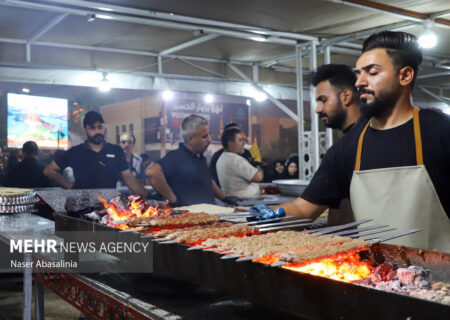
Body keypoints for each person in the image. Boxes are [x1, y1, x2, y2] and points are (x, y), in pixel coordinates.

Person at [272, 31, 450, 252]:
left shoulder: (440, 131)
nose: (359, 82)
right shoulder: (348, 147)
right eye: (358, 74)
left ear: (405, 76)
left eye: (372, 72)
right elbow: (303, 208)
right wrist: (272, 215)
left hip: (441, 281)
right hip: (376, 280)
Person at [44, 111, 149, 197]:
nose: (97, 131)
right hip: (83, 207)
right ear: (85, 130)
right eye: (92, 128)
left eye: (100, 127)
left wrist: (149, 196)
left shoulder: (116, 151)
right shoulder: (76, 152)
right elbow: (49, 170)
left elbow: (129, 179)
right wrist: (68, 186)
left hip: (109, 208)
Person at [146, 114, 236, 206]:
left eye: (208, 135)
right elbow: (151, 172)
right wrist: (173, 200)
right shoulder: (177, 156)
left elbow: (208, 181)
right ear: (190, 139)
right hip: (190, 217)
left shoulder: (200, 158)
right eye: (204, 137)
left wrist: (225, 198)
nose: (209, 140)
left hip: (210, 214)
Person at [312, 63, 362, 225]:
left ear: (346, 97)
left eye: (323, 100)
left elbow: (304, 209)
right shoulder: (345, 144)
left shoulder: (343, 148)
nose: (318, 109)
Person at [210, 122, 260, 187]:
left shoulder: (247, 153)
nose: (243, 142)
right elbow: (213, 179)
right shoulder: (218, 156)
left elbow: (255, 172)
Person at [216, 128, 263, 197]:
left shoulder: (222, 157)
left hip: (236, 199)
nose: (244, 143)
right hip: (245, 202)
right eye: (240, 140)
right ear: (231, 143)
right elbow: (258, 177)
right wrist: (258, 164)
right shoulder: (235, 160)